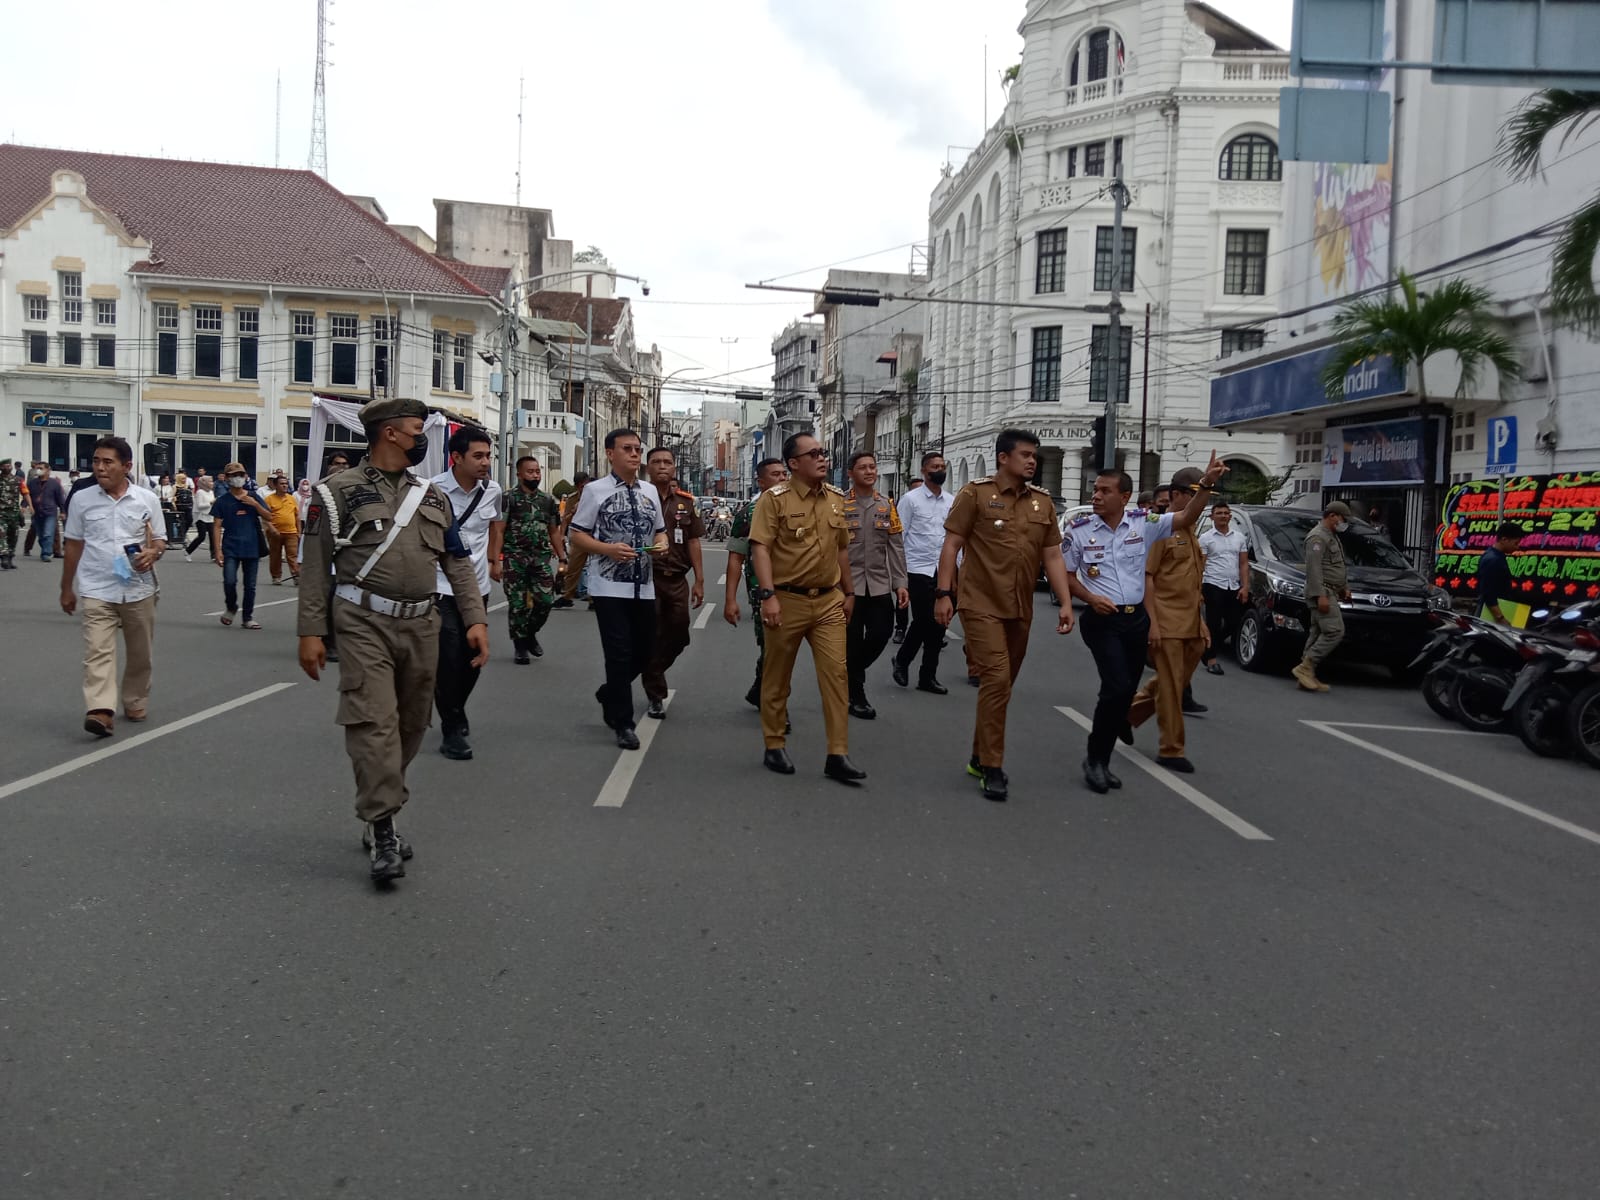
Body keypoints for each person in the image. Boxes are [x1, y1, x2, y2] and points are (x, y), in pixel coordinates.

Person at [297, 397, 488, 884]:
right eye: (415, 429)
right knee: (374, 723)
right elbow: (317, 566)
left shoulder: (432, 497)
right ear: (389, 434)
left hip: (422, 622)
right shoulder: (335, 491)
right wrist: (311, 632)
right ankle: (383, 827)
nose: (422, 437)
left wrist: (475, 619)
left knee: (409, 725)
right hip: (363, 621)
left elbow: (457, 563)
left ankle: (383, 804)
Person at [1064, 454, 1228, 793]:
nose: (1096, 496)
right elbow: (1064, 575)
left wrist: (1207, 483)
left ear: (1124, 497)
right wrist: (1088, 598)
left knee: (1124, 692)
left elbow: (1186, 516)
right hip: (1102, 620)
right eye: (1094, 490)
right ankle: (1095, 760)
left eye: (1104, 491)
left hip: (1134, 620)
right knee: (1115, 686)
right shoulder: (1079, 531)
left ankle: (1104, 757)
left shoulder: (1144, 523)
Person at [934, 429, 1075, 801]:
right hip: (980, 603)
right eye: (1025, 455)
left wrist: (1064, 601)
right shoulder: (975, 495)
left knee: (1003, 686)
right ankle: (993, 767)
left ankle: (979, 755)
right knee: (995, 679)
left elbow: (1053, 556)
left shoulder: (1042, 504)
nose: (1032, 461)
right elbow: (951, 545)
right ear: (1003, 457)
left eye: (1035, 456)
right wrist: (944, 593)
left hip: (1020, 607)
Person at [748, 432, 865, 783]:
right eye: (813, 454)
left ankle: (837, 754)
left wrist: (849, 591)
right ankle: (773, 743)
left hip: (828, 600)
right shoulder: (775, 499)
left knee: (836, 675)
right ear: (793, 464)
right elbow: (761, 549)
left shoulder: (835, 499)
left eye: (823, 452)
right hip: (787, 599)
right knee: (777, 676)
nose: (822, 458)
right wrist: (768, 595)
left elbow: (842, 549)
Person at [58, 437, 166, 737]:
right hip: (97, 588)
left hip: (138, 588)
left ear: (126, 466)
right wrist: (67, 588)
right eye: (96, 461)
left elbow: (160, 540)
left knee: (140, 653)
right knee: (97, 651)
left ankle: (135, 699)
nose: (100, 468)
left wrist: (152, 553)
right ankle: (101, 710)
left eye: (108, 462)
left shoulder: (147, 500)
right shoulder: (81, 498)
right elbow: (73, 545)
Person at [568, 431, 667, 750]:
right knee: (619, 653)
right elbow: (577, 535)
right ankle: (623, 722)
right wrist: (607, 549)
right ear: (610, 454)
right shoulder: (595, 491)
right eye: (627, 449)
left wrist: (660, 546)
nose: (635, 455)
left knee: (647, 651)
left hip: (645, 585)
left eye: (638, 449)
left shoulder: (650, 491)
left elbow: (661, 532)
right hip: (609, 586)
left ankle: (611, 691)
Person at [1124, 469, 1211, 774]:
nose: (1198, 500)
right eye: (1192, 493)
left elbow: (1193, 582)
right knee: (1172, 687)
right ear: (1176, 495)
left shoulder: (1190, 531)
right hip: (1166, 619)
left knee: (1171, 682)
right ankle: (1171, 749)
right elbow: (1147, 577)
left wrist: (1200, 622)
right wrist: (1153, 623)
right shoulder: (1158, 529)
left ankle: (1126, 714)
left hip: (1190, 622)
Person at [428, 426, 504, 761]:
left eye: (488, 455)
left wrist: (494, 559)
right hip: (439, 587)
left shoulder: (493, 491)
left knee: (472, 659)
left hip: (477, 589)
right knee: (448, 657)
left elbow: (495, 526)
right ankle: (452, 727)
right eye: (478, 456)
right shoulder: (432, 491)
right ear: (456, 457)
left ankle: (455, 709)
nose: (485, 462)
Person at [841, 451, 908, 720]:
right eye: (862, 468)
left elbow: (896, 546)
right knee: (852, 641)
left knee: (881, 634)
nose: (869, 471)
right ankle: (857, 696)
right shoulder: (839, 505)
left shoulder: (886, 506)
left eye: (872, 467)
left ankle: (849, 672)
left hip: (879, 584)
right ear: (850, 473)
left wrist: (900, 583)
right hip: (849, 587)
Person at [641, 447, 706, 720]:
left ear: (674, 467)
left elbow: (693, 540)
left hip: (677, 579)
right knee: (652, 634)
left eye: (667, 462)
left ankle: (652, 670)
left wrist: (699, 580)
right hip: (648, 577)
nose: (662, 466)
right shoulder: (639, 497)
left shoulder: (686, 502)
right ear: (648, 467)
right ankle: (656, 693)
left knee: (680, 634)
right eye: (656, 462)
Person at [724, 457, 790, 708]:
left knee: (783, 649)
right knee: (773, 646)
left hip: (797, 588)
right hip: (762, 590)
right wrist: (730, 600)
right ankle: (777, 706)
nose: (782, 478)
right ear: (761, 482)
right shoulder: (748, 514)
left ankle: (761, 686)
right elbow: (735, 558)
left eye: (784, 474)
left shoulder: (799, 508)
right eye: (775, 475)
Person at [892, 452, 955, 694]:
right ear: (924, 471)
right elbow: (900, 536)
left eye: (942, 466)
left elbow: (954, 540)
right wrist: (898, 574)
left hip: (945, 571)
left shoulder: (951, 501)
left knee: (940, 625)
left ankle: (927, 676)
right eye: (934, 466)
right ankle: (903, 660)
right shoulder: (910, 500)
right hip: (917, 568)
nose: (939, 470)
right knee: (923, 620)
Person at [501, 456, 565, 664]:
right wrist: (493, 559)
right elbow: (498, 529)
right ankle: (520, 646)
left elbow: (553, 531)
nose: (535, 475)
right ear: (519, 474)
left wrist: (563, 557)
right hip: (514, 557)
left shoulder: (547, 501)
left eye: (537, 471)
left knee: (545, 601)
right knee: (518, 604)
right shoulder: (508, 498)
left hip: (540, 559)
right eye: (530, 471)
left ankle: (529, 633)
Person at [1295, 500, 1354, 693]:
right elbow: (1314, 569)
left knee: (1318, 632)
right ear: (1332, 516)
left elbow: (1334, 566)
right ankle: (1305, 668)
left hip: (1330, 590)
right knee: (1334, 631)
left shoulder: (1331, 536)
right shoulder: (1318, 538)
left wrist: (1344, 588)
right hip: (1323, 591)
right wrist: (1320, 595)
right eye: (1343, 519)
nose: (1344, 523)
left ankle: (1307, 674)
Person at [210, 462, 272, 629]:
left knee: (250, 585)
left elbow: (269, 517)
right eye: (233, 475)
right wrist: (217, 550)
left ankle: (248, 617)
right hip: (231, 547)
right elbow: (216, 526)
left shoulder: (253, 496)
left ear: (245, 477)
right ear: (227, 478)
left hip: (251, 547)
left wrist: (254, 504)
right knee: (229, 581)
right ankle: (231, 607)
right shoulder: (222, 501)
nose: (237, 478)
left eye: (240, 475)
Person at [1198, 500, 1250, 675]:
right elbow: (1200, 566)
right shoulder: (1205, 539)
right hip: (1212, 583)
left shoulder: (1239, 537)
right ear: (1212, 516)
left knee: (1234, 622)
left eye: (1226, 513)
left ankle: (1207, 649)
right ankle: (1212, 660)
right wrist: (1197, 589)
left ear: (1230, 516)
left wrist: (1245, 586)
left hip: (1233, 585)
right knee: (1213, 623)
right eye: (1219, 513)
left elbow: (1243, 563)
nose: (1223, 516)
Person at [554, 472, 593, 609]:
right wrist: (561, 536)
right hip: (579, 536)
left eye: (587, 485)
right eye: (582, 486)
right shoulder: (572, 499)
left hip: (596, 536)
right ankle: (567, 596)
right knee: (573, 568)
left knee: (595, 568)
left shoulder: (597, 496)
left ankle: (593, 599)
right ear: (577, 487)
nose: (585, 488)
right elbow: (565, 520)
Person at [1477, 522, 1528, 627]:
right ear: (1504, 540)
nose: (1517, 547)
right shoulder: (1493, 560)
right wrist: (1500, 618)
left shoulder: (1496, 556)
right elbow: (1488, 593)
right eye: (1515, 543)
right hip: (1492, 616)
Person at [263, 472, 304, 586]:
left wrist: (299, 531)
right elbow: (265, 517)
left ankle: (296, 576)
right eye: (282, 484)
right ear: (276, 486)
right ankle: (276, 576)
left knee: (293, 556)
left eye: (286, 484)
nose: (285, 486)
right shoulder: (269, 499)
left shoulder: (291, 498)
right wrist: (271, 528)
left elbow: (297, 516)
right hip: (275, 533)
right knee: (275, 556)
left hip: (291, 532)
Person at [25, 462, 66, 563]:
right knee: (41, 535)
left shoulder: (54, 483)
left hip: (50, 512)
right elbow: (27, 495)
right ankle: (47, 549)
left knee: (48, 533)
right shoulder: (32, 483)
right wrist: (23, 506)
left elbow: (60, 499)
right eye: (37, 468)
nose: (38, 470)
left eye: (41, 468)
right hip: (36, 512)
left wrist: (63, 511)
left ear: (48, 470)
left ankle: (46, 554)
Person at [0, 458, 28, 569]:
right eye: (4, 466)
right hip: (1, 513)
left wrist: (28, 506)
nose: (7, 467)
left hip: (14, 513)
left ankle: (10, 557)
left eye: (8, 465)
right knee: (1, 534)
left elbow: (26, 494)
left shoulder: (18, 480)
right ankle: (4, 556)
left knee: (13, 536)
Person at [184, 474, 216, 560]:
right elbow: (200, 505)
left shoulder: (211, 492)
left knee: (213, 536)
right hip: (200, 516)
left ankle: (213, 555)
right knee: (202, 536)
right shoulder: (200, 492)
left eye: (212, 481)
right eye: (209, 481)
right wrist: (211, 503)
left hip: (209, 516)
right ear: (204, 483)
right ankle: (188, 551)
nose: (211, 483)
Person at [172, 473, 194, 546]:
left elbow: (191, 495)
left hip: (188, 506)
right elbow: (172, 496)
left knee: (189, 520)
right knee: (181, 522)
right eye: (182, 479)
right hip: (179, 507)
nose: (184, 480)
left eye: (185, 479)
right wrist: (174, 504)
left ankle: (183, 534)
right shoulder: (175, 487)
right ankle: (181, 537)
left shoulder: (187, 487)